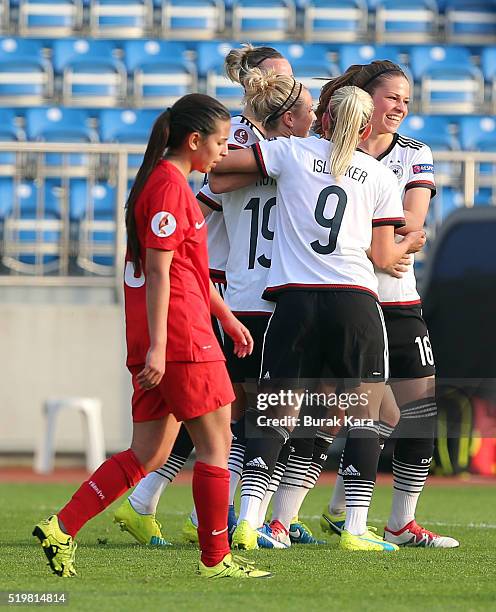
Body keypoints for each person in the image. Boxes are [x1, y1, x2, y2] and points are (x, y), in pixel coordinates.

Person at [32, 93, 271, 579]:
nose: (225, 152)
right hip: (180, 340)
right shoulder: (168, 188)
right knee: (217, 443)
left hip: (166, 337)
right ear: (194, 140)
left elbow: (188, 269)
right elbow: (160, 271)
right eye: (222, 142)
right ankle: (216, 559)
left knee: (150, 452)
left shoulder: (163, 184)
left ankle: (61, 528)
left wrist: (225, 317)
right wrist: (162, 346)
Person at [214, 84, 426, 551]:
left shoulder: (290, 152)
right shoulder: (377, 175)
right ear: (367, 127)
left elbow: (219, 169)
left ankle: (248, 522)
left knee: (273, 412)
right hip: (354, 301)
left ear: (324, 118)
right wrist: (413, 242)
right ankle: (353, 529)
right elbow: (384, 254)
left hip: (294, 302)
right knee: (364, 415)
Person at [113, 43, 296, 548]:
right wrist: (285, 159)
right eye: (276, 78)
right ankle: (221, 518)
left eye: (288, 79)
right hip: (215, 284)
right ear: (252, 83)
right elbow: (214, 183)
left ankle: (164, 501)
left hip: (230, 285)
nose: (285, 87)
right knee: (223, 413)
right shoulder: (235, 139)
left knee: (208, 413)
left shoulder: (261, 139)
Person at [315, 61, 459, 548]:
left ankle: (399, 522)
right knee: (335, 414)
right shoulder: (333, 153)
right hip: (347, 297)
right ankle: (274, 516)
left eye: (406, 100)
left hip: (400, 300)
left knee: (418, 410)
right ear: (364, 98)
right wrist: (385, 243)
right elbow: (390, 241)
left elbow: (413, 224)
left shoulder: (415, 153)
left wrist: (386, 240)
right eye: (392, 97)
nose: (399, 107)